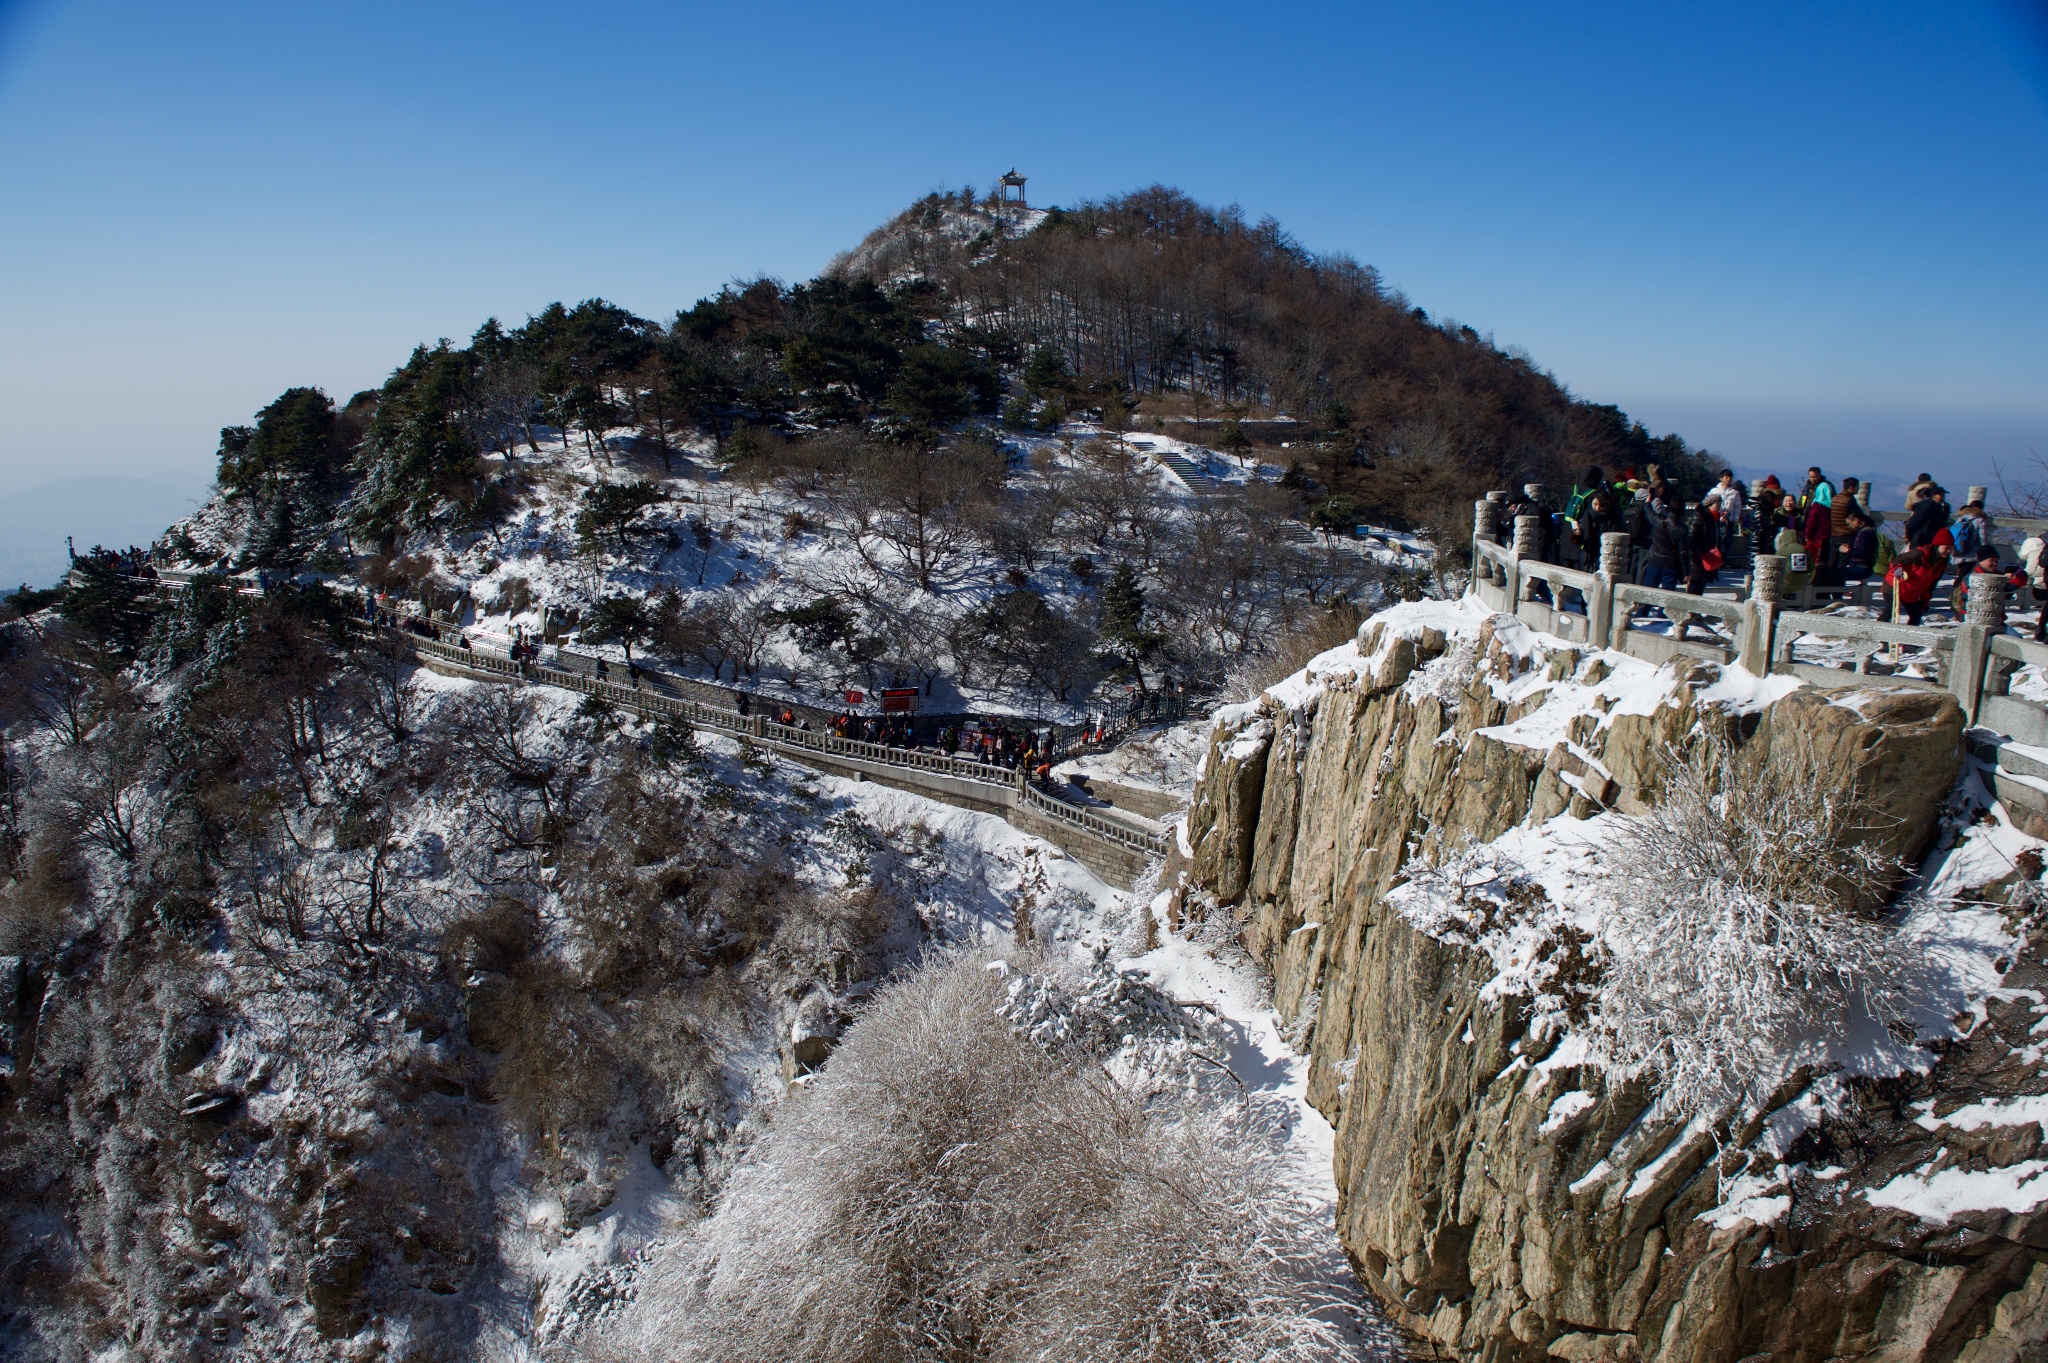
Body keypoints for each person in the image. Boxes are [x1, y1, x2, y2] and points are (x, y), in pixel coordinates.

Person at [1885, 517, 1953, 627]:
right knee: (1890, 611)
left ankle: (1908, 641)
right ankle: (1877, 637)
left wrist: (1924, 602)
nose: (1949, 551)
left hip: (1910, 591)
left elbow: (1930, 585)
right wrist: (1899, 568)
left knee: (1916, 615)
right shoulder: (1920, 554)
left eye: (1951, 549)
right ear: (1938, 545)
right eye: (1947, 548)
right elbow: (1897, 560)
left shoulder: (1940, 564)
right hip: (1895, 585)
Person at [1838, 507, 1879, 578]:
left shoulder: (1865, 533)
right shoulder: (1864, 531)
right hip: (1860, 566)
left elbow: (1861, 553)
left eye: (1849, 523)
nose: (1849, 526)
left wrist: (1847, 550)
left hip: (1861, 568)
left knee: (1834, 574)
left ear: (1856, 521)